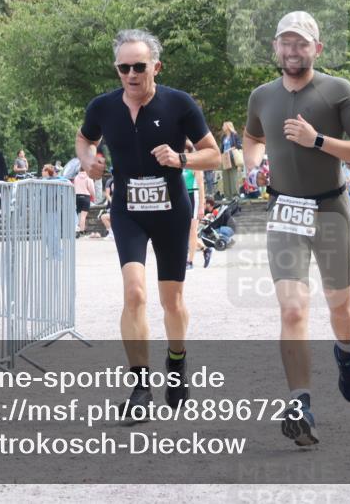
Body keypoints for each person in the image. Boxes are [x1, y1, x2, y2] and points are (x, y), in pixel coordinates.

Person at [243, 11, 350, 447]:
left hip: (330, 208)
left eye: (302, 43)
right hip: (285, 209)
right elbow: (252, 137)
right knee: (294, 308)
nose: (293, 50)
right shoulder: (261, 95)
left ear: (317, 49)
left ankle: (346, 353)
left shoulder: (338, 91)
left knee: (340, 306)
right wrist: (254, 164)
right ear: (275, 49)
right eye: (286, 42)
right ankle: (300, 404)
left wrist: (317, 140)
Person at [75, 28, 220, 421]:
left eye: (139, 66)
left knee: (171, 300)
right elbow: (84, 139)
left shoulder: (179, 104)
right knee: (134, 293)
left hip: (172, 209)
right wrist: (88, 159)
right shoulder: (103, 107)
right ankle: (140, 387)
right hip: (128, 210)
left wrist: (181, 159)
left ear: (155, 66)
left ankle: (177, 360)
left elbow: (215, 155)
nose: (132, 74)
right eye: (124, 67)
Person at [182, 142, 206, 270]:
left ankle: (190, 261)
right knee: (182, 231)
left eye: (186, 150)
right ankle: (205, 249)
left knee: (192, 231)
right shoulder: (179, 163)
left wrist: (202, 205)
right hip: (182, 197)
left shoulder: (196, 165)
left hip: (194, 196)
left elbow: (201, 185)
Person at [220, 121, 242, 199]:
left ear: (228, 127)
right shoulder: (223, 137)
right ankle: (227, 196)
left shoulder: (235, 135)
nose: (222, 127)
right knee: (225, 176)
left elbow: (239, 145)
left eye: (223, 125)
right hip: (225, 158)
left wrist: (231, 149)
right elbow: (221, 148)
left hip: (232, 158)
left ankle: (235, 195)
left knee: (233, 177)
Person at [74, 168, 96, 236]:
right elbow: (91, 189)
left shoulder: (76, 177)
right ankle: (81, 231)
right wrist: (94, 197)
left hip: (77, 197)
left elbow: (74, 187)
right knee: (83, 216)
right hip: (85, 197)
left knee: (78, 215)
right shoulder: (88, 178)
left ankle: (76, 229)